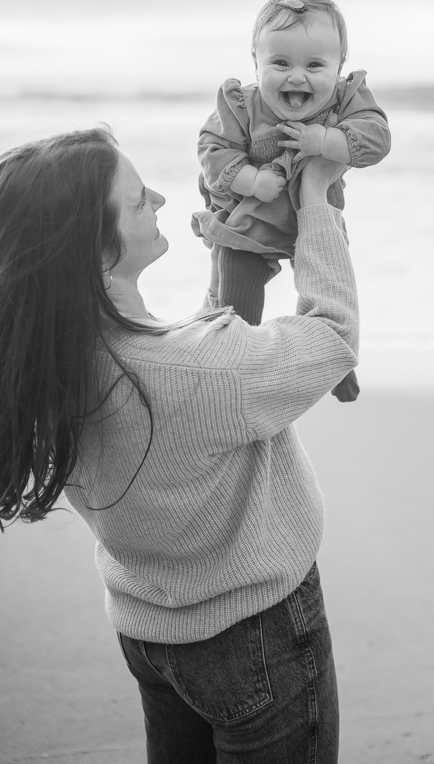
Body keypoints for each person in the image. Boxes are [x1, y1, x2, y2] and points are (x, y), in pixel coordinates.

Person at [0, 125, 359, 763]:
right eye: (139, 201)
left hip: (148, 634)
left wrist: (231, 265)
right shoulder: (197, 374)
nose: (163, 200)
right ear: (93, 245)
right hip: (257, 635)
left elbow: (184, 371)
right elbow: (331, 338)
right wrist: (317, 200)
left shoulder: (48, 360)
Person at [193, 0, 390, 403]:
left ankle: (335, 364)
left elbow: (377, 140)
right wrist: (248, 179)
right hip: (251, 224)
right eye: (280, 63)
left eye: (315, 65)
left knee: (329, 290)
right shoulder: (240, 106)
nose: (297, 77)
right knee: (234, 303)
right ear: (255, 62)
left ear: (339, 69)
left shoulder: (346, 99)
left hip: (314, 217)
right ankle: (233, 366)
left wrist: (327, 139)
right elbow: (212, 150)